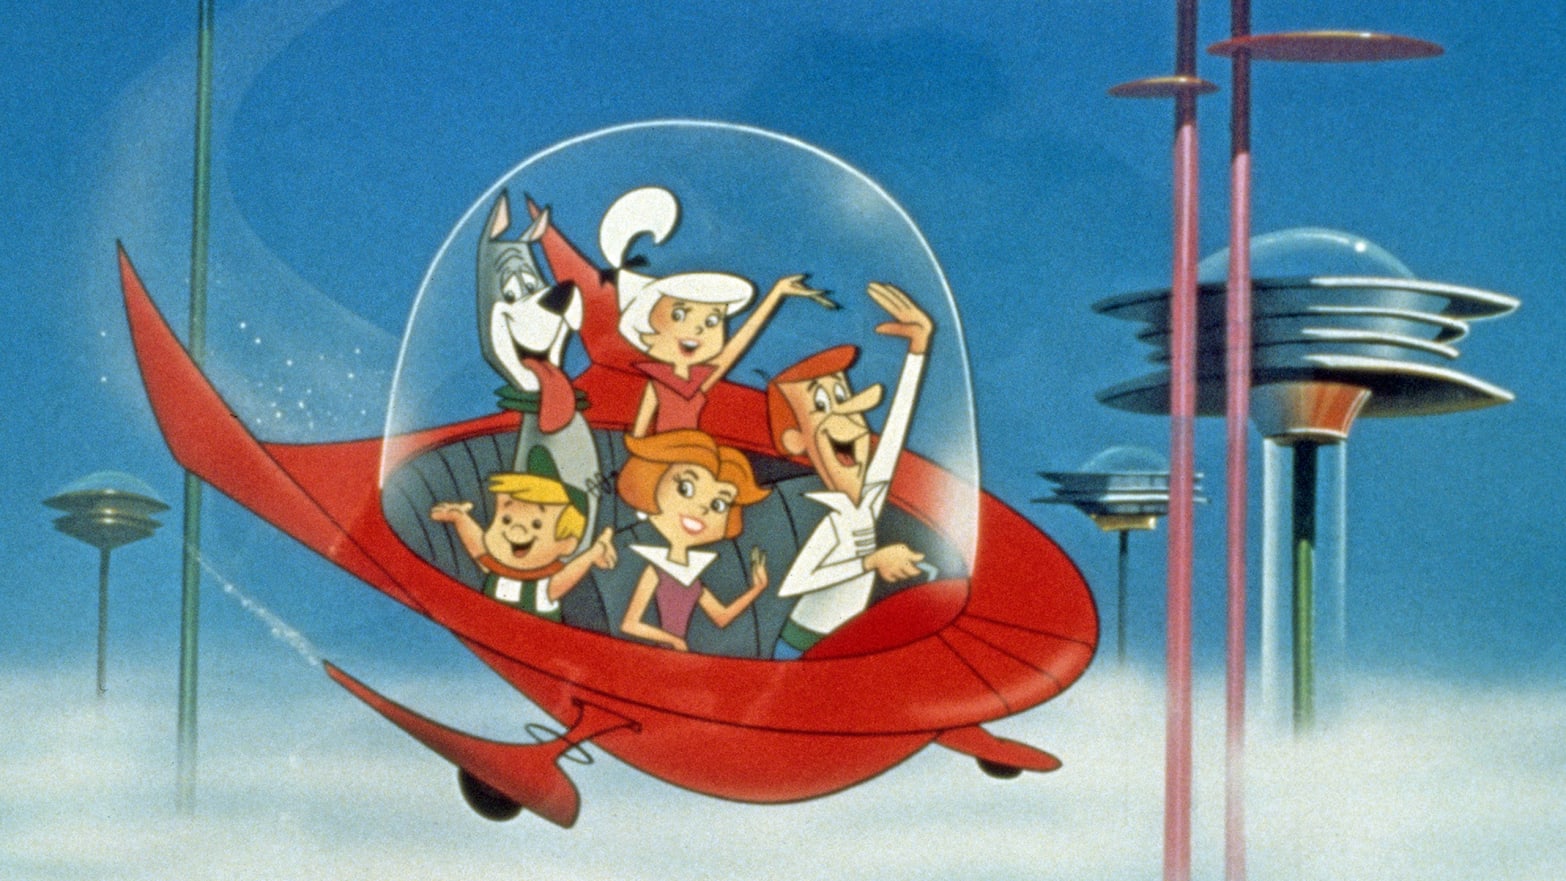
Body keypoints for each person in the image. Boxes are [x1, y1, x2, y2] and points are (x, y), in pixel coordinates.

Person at [766, 282, 933, 658]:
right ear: (797, 440)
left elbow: (895, 430)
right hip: (800, 645)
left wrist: (918, 351)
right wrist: (870, 561)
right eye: (822, 404)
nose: (848, 417)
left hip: (843, 641)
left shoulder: (869, 498)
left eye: (843, 396)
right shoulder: (835, 519)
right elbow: (794, 583)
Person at [599, 186, 833, 437]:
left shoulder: (698, 380)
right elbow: (638, 435)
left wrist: (776, 293)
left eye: (712, 320)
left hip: (697, 452)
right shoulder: (657, 385)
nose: (699, 328)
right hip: (661, 453)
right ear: (647, 333)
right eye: (679, 315)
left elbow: (736, 346)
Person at [616, 430, 772, 651]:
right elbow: (629, 624)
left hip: (681, 656)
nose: (702, 508)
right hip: (661, 653)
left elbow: (721, 617)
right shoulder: (655, 571)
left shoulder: (694, 579)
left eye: (718, 504)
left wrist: (758, 588)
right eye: (685, 488)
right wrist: (673, 640)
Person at [431, 450, 615, 621]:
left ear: (567, 543)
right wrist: (460, 518)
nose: (516, 531)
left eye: (537, 525)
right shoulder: (497, 568)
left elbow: (565, 578)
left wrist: (594, 553)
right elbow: (478, 547)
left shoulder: (542, 586)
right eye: (506, 520)